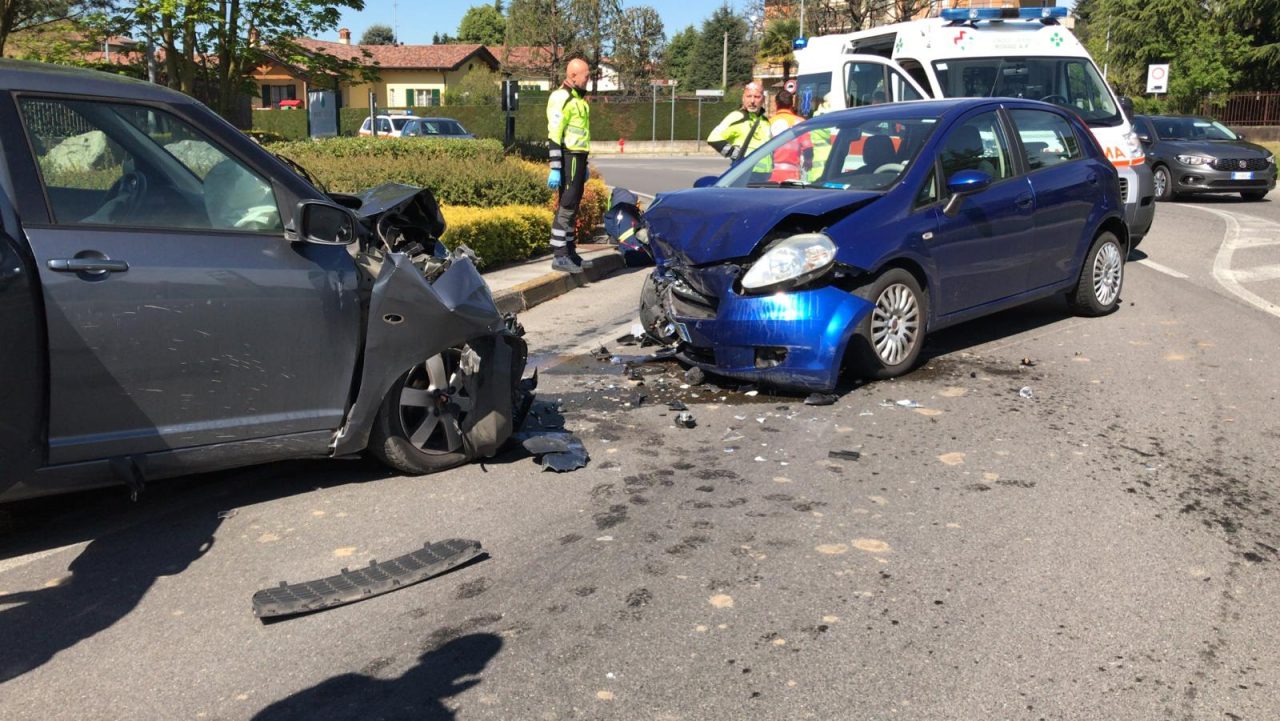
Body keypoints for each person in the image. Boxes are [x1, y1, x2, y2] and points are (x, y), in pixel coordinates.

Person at [546, 57, 592, 273]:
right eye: (586, 76)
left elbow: (581, 136)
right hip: (568, 158)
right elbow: (554, 133)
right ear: (573, 76)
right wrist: (555, 166)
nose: (588, 80)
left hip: (579, 158)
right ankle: (559, 254)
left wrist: (586, 164)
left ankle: (570, 252)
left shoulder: (579, 100)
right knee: (567, 205)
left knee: (573, 208)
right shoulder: (560, 98)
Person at [706, 82, 772, 177]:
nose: (752, 101)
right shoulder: (737, 116)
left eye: (757, 97)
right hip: (744, 174)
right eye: (749, 96)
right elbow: (713, 138)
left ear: (763, 99)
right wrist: (737, 155)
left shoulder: (765, 120)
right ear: (743, 98)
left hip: (765, 175)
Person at [766, 88, 813, 182]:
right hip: (793, 174)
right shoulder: (800, 123)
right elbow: (808, 147)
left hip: (771, 174)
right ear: (792, 104)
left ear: (776, 104)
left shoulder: (769, 123)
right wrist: (808, 161)